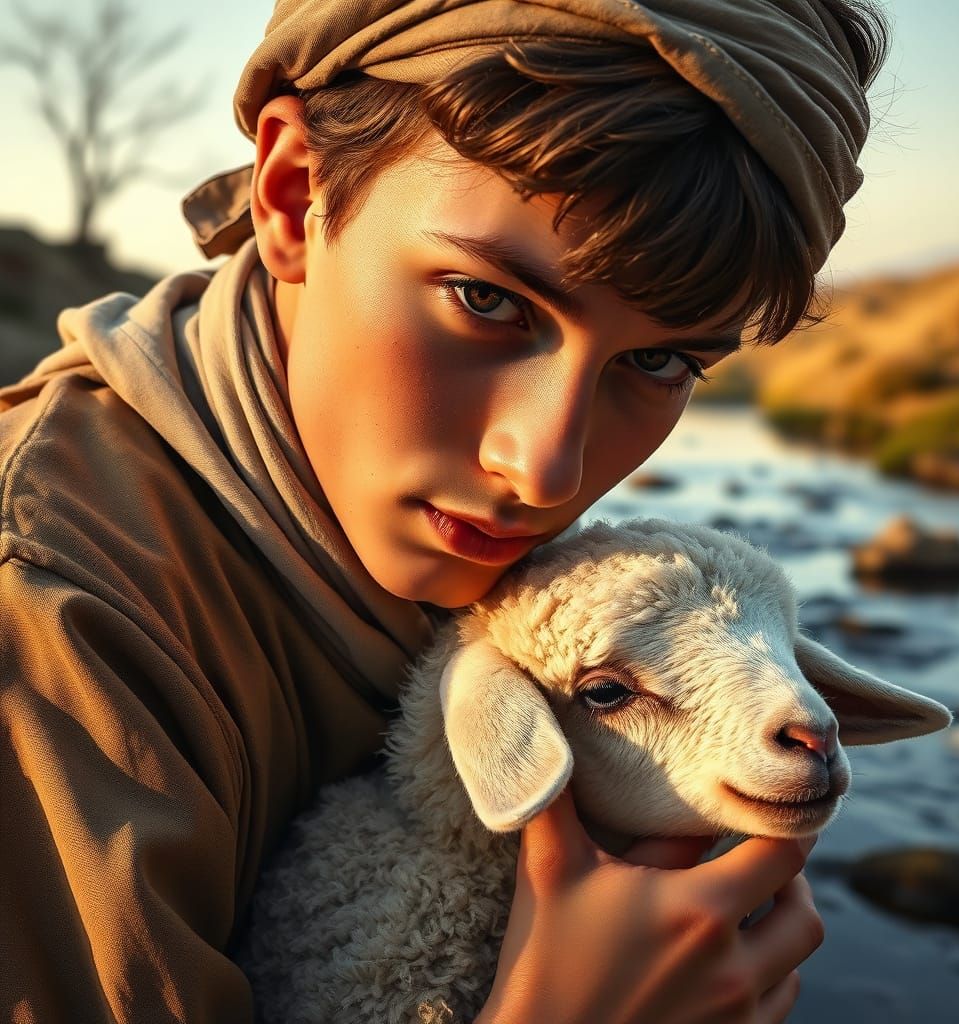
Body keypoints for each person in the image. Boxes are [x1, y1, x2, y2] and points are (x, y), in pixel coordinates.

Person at [0, 1, 889, 1021]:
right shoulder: (44, 638)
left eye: (658, 360)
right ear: (294, 195)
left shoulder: (475, 562)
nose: (544, 469)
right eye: (485, 300)